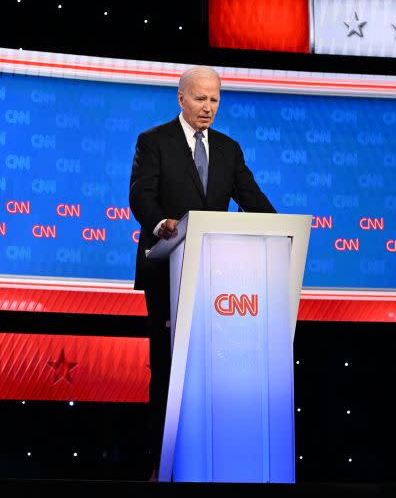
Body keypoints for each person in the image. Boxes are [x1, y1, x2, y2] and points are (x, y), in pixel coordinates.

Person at [128, 66, 276, 480]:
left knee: (211, 367)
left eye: (214, 100)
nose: (207, 107)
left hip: (218, 278)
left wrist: (279, 230)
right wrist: (162, 225)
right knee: (169, 365)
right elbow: (140, 193)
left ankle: (211, 458)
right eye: (200, 99)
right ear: (181, 98)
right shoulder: (153, 141)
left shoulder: (229, 149)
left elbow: (251, 197)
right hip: (166, 268)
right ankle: (162, 461)